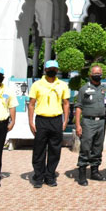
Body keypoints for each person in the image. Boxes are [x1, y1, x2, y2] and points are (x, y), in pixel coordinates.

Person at [28, 60, 70, 188]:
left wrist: (65, 120)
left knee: (55, 149)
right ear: (45, 70)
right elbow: (31, 104)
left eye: (54, 69)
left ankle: (50, 175)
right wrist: (30, 121)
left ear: (57, 70)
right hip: (41, 119)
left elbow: (66, 103)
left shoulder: (62, 85)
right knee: (39, 149)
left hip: (56, 119)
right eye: (50, 68)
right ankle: (38, 176)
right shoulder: (37, 85)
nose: (52, 70)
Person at [75, 65, 106, 186]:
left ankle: (95, 171)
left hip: (101, 122)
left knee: (98, 147)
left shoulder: (105, 89)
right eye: (95, 73)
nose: (97, 74)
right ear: (90, 75)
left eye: (99, 73)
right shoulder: (84, 89)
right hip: (88, 122)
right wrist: (78, 125)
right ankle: (82, 174)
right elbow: (78, 107)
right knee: (86, 147)